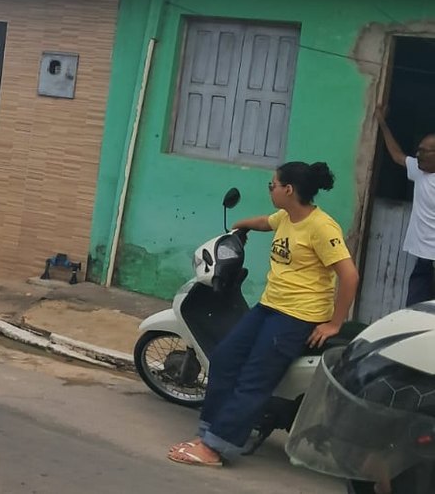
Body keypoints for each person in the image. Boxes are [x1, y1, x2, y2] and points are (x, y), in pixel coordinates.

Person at [168, 162, 360, 467]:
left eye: (272, 185)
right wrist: (239, 227)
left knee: (254, 378)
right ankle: (208, 433)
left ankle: (217, 447)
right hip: (270, 306)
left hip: (298, 315)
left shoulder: (322, 227)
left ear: (288, 190)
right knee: (225, 357)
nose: (269, 189)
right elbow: (263, 222)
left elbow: (348, 275)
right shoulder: (286, 216)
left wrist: (335, 322)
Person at [376, 107, 435, 306]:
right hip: (424, 261)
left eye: (423, 151)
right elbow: (397, 155)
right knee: (414, 311)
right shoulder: (420, 171)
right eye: (418, 150)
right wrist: (383, 124)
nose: (417, 155)